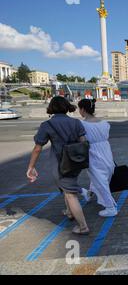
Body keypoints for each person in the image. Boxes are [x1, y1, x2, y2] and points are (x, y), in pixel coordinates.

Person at [27, 96, 90, 235]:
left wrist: (31, 167)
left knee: (70, 194)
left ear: (52, 108)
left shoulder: (47, 125)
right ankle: (69, 212)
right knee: (67, 188)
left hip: (60, 163)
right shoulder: (76, 123)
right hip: (76, 162)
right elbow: (83, 142)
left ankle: (83, 226)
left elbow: (38, 148)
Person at [78, 99, 118, 217]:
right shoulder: (105, 123)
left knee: (99, 179)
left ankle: (110, 207)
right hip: (106, 150)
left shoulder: (82, 124)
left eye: (79, 109)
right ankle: (90, 194)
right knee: (103, 175)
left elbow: (82, 140)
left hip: (92, 151)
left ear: (83, 110)